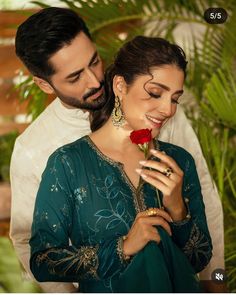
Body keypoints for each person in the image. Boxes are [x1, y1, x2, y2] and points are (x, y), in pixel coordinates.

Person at [10, 7, 224, 293]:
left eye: (95, 61)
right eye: (75, 77)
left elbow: (205, 198)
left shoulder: (157, 107)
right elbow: (30, 245)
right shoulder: (36, 149)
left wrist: (216, 282)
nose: (95, 80)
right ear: (44, 85)